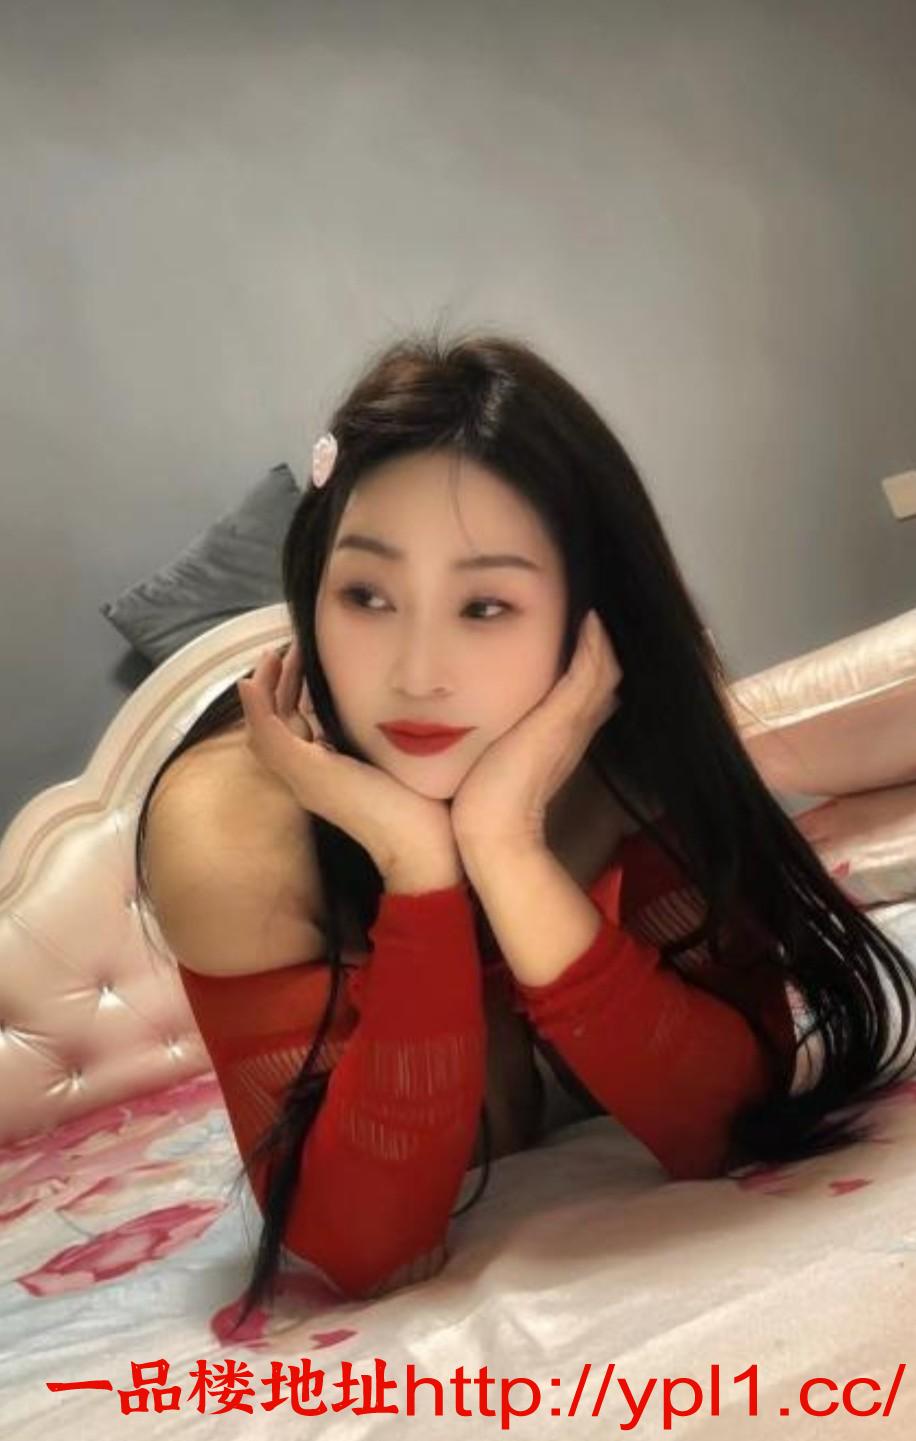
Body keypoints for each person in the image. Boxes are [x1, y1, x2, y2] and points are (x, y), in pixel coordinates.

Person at [135, 328, 916, 1328]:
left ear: (588, 617)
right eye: (366, 594)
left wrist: (504, 846)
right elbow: (368, 1250)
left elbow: (726, 1126)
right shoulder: (228, 832)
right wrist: (418, 869)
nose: (416, 673)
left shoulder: (635, 764)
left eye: (486, 604)